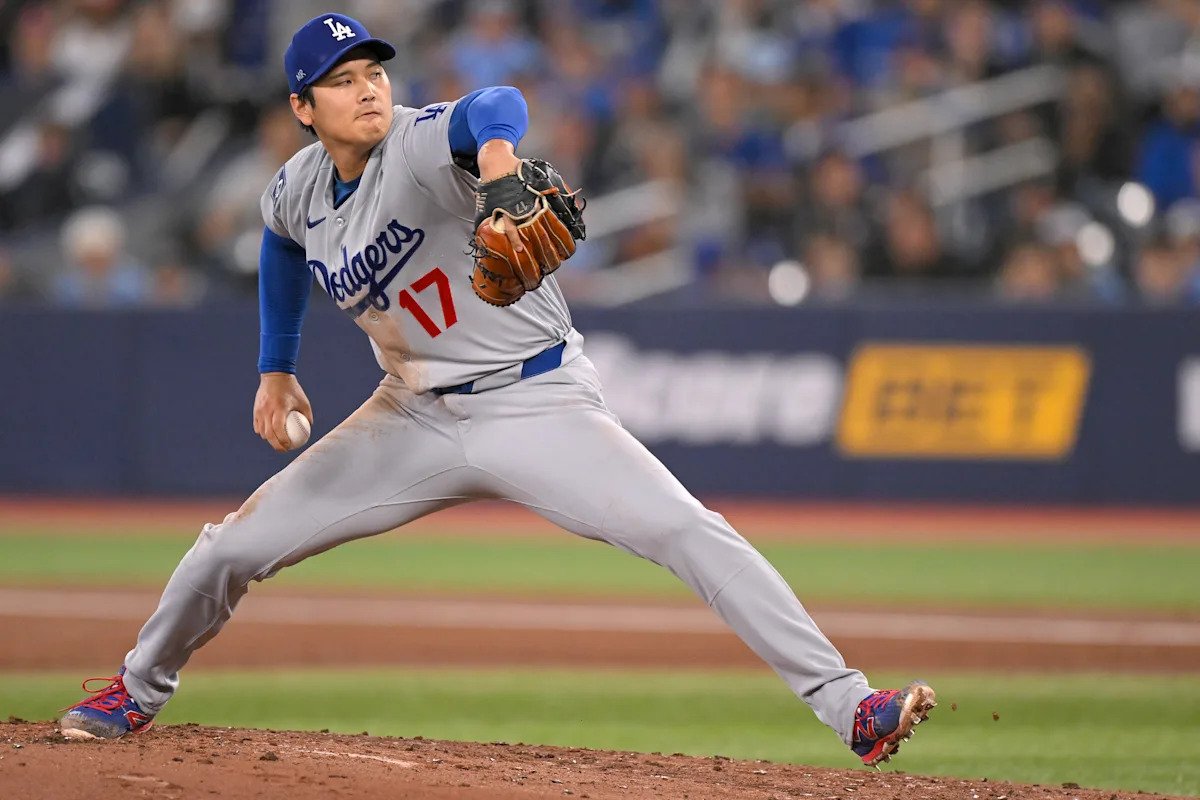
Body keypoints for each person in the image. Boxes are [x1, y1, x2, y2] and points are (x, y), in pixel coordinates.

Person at [58, 13, 935, 768]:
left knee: (684, 528)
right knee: (228, 550)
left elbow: (492, 107)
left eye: (373, 73)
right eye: (340, 82)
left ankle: (848, 706)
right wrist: (275, 366)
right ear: (301, 109)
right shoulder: (297, 190)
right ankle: (136, 690)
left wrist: (504, 169)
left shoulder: (415, 142)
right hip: (409, 414)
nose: (367, 91)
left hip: (535, 403)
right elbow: (281, 245)